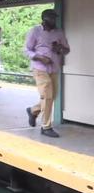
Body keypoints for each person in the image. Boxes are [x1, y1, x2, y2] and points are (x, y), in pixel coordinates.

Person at [24, 9, 70, 138]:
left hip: (54, 68)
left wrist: (60, 49)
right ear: (44, 19)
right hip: (40, 69)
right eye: (52, 19)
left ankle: (33, 110)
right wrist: (39, 57)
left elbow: (67, 49)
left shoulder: (59, 32)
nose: (54, 21)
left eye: (55, 18)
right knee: (47, 95)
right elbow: (26, 50)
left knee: (52, 96)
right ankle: (46, 127)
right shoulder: (35, 31)